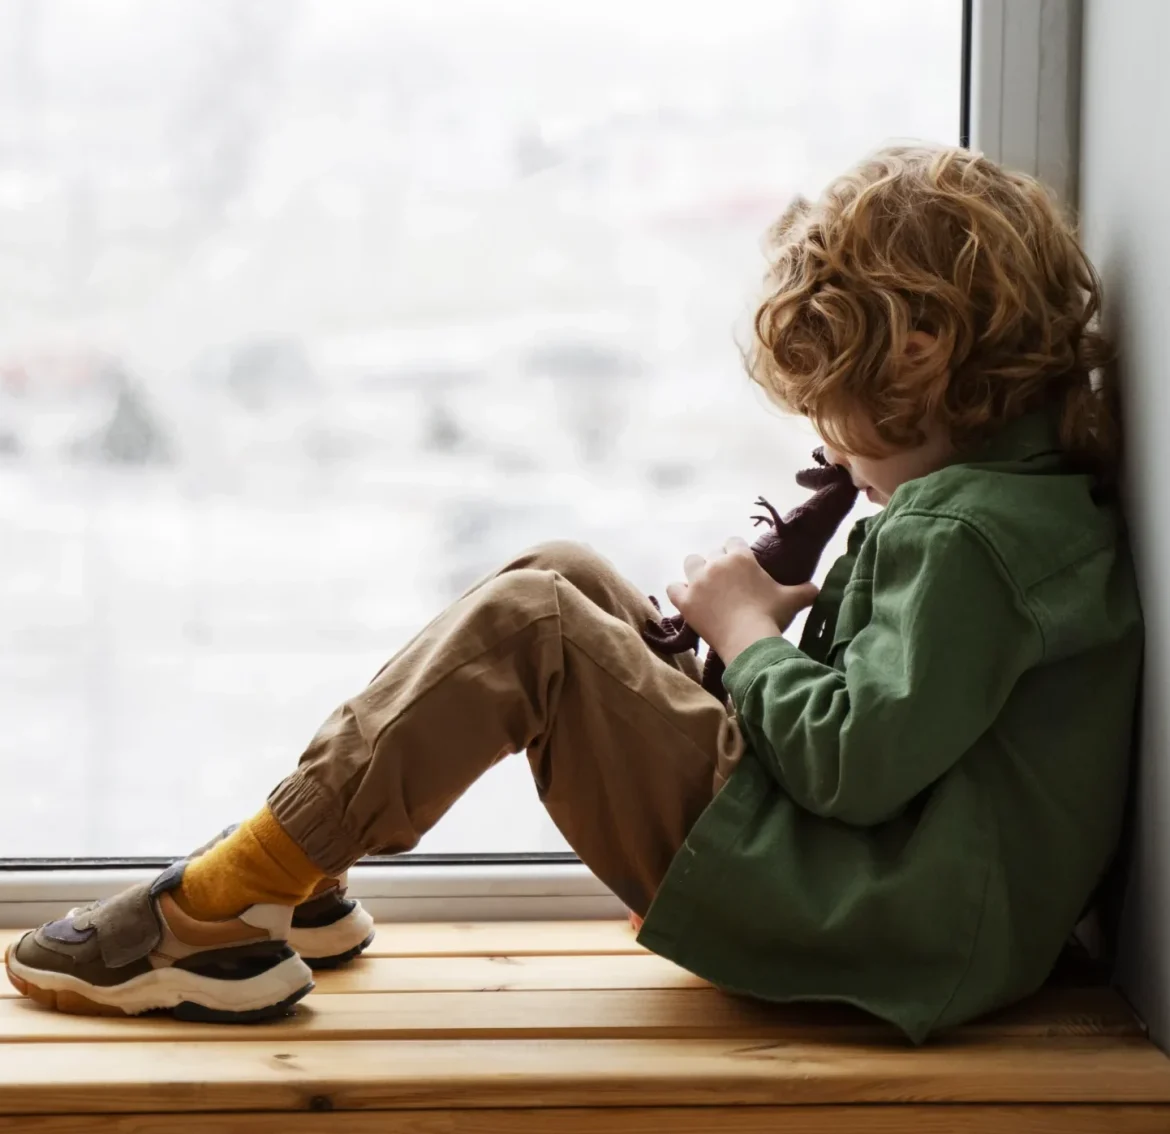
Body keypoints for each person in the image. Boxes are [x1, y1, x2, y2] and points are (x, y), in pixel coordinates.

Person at [5, 145, 1141, 1042]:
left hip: (879, 927)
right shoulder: (1009, 507)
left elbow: (852, 766)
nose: (830, 451)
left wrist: (745, 636)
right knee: (566, 573)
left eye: (831, 411)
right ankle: (300, 866)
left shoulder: (968, 539)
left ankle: (219, 906)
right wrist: (755, 634)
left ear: (920, 362)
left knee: (534, 629)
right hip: (891, 897)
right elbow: (908, 726)